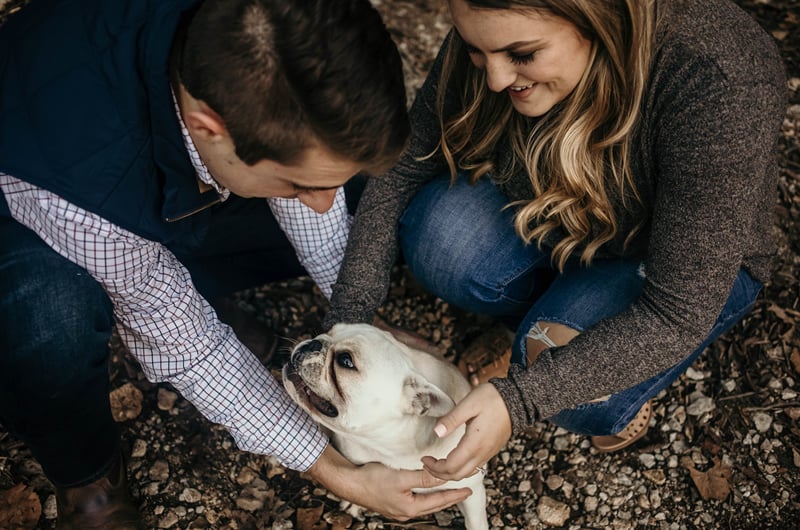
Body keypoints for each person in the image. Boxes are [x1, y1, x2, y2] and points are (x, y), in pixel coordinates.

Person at [0, 0, 473, 528]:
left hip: (175, 179)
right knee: (44, 325)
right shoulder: (80, 188)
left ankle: (208, 278)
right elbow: (186, 342)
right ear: (210, 127)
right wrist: (340, 472)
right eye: (299, 185)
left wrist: (362, 330)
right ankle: (85, 470)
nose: (319, 203)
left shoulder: (271, 36)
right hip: (43, 206)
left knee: (365, 199)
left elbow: (318, 190)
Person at [326, 0, 786, 494]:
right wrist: (348, 318)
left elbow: (678, 310)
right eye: (476, 52)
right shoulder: (492, 26)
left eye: (522, 54)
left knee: (574, 392)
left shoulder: (717, 77)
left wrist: (521, 399)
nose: (497, 79)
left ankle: (572, 352)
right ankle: (543, 322)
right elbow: (405, 165)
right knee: (441, 240)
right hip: (555, 212)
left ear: (600, 19)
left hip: (670, 264)